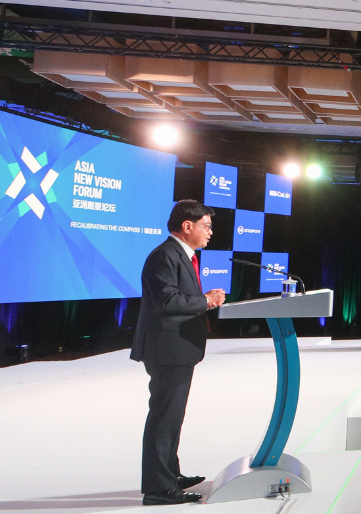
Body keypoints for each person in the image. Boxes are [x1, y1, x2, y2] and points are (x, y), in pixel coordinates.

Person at [132, 200, 226, 505]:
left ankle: (169, 475)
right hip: (166, 348)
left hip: (178, 348)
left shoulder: (181, 255)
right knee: (164, 416)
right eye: (206, 226)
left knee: (172, 416)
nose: (210, 232)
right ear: (187, 227)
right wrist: (206, 300)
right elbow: (167, 302)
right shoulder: (164, 255)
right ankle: (159, 489)